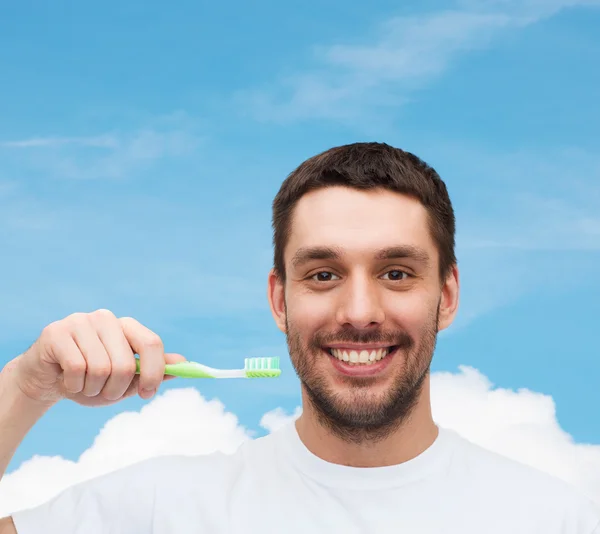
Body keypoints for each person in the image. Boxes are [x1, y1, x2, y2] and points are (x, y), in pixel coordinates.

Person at [0, 142, 598, 534]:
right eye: (323, 274)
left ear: (446, 295)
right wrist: (26, 386)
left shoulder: (553, 519)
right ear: (279, 300)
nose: (359, 312)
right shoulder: (161, 509)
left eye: (395, 273)